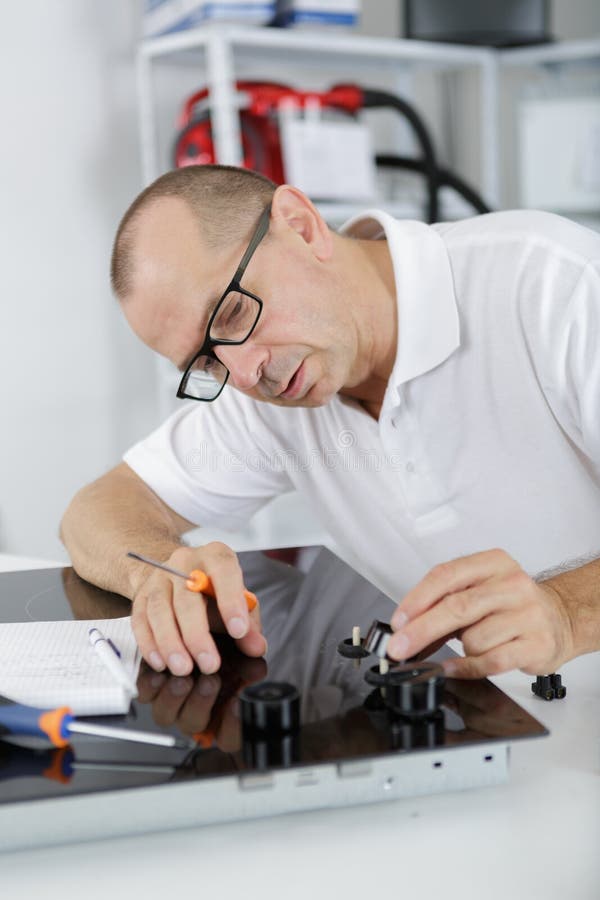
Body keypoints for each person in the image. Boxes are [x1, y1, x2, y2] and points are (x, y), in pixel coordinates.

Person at [60, 164, 600, 682]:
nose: (245, 374)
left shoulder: (554, 283)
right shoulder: (264, 391)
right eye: (206, 362)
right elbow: (96, 510)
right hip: (480, 728)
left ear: (299, 225)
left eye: (229, 313)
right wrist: (157, 572)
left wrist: (567, 612)